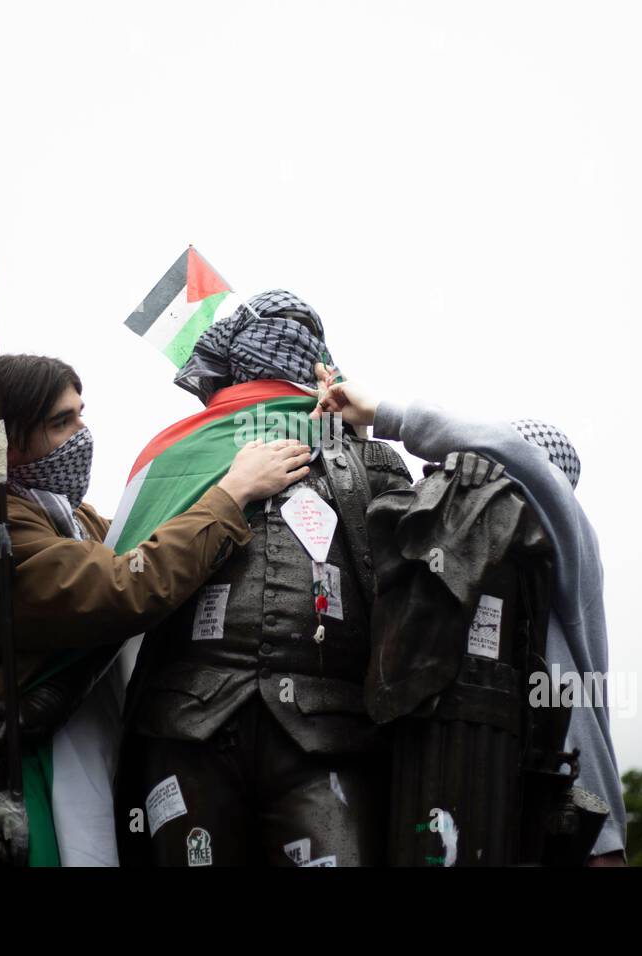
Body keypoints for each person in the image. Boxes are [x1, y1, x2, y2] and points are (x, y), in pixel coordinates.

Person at [0, 353, 311, 866]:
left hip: (23, 788)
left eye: (80, 415)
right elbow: (126, 586)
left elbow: (158, 541)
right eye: (60, 422)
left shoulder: (70, 518)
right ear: (6, 442)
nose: (82, 434)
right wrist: (232, 491)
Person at [113, 290, 413, 867]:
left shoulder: (368, 458)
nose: (285, 340)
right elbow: (120, 584)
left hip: (332, 733)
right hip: (185, 725)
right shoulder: (179, 455)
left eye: (301, 329)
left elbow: (409, 586)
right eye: (273, 328)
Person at [311, 363, 628, 865]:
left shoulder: (568, 536)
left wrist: (384, 412)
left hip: (574, 798)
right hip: (480, 785)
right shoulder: (487, 553)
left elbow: (514, 454)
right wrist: (347, 434)